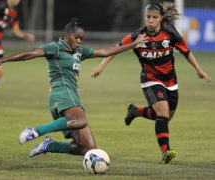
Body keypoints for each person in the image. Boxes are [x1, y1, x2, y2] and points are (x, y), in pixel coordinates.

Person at [0, 17, 147, 157]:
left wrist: (132, 45)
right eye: (76, 37)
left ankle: (50, 145)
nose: (79, 41)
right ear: (66, 35)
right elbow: (31, 53)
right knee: (80, 119)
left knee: (87, 148)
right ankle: (35, 130)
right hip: (61, 93)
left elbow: (105, 51)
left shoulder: (79, 51)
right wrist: (3, 60)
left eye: (81, 38)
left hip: (69, 97)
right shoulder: (55, 47)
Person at [91, 2, 212, 164]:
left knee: (165, 117)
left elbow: (186, 51)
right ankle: (165, 151)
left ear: (161, 19)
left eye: (155, 17)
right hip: (150, 80)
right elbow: (116, 48)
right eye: (148, 17)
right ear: (145, 17)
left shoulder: (170, 33)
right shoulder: (138, 36)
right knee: (162, 113)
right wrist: (102, 65)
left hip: (170, 80)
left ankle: (135, 111)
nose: (151, 21)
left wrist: (198, 68)